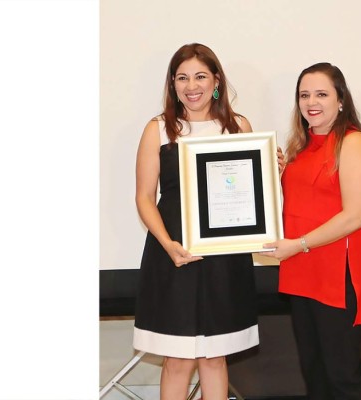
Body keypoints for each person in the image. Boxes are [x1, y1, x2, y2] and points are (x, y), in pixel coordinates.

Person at [133, 43, 259, 400]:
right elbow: (145, 197)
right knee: (177, 360)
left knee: (215, 358)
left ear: (216, 80)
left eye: (200, 76)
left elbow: (250, 194)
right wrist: (167, 244)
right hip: (173, 253)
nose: (192, 85)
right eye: (183, 77)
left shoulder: (238, 126)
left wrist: (271, 171)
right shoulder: (157, 129)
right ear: (173, 84)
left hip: (225, 256)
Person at [262, 62, 361, 400]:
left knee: (342, 377)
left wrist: (297, 244)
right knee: (315, 376)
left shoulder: (354, 143)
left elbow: (353, 217)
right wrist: (274, 173)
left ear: (341, 100)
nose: (311, 102)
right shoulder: (300, 147)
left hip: (338, 276)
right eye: (304, 95)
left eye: (321, 94)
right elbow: (304, 204)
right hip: (303, 273)